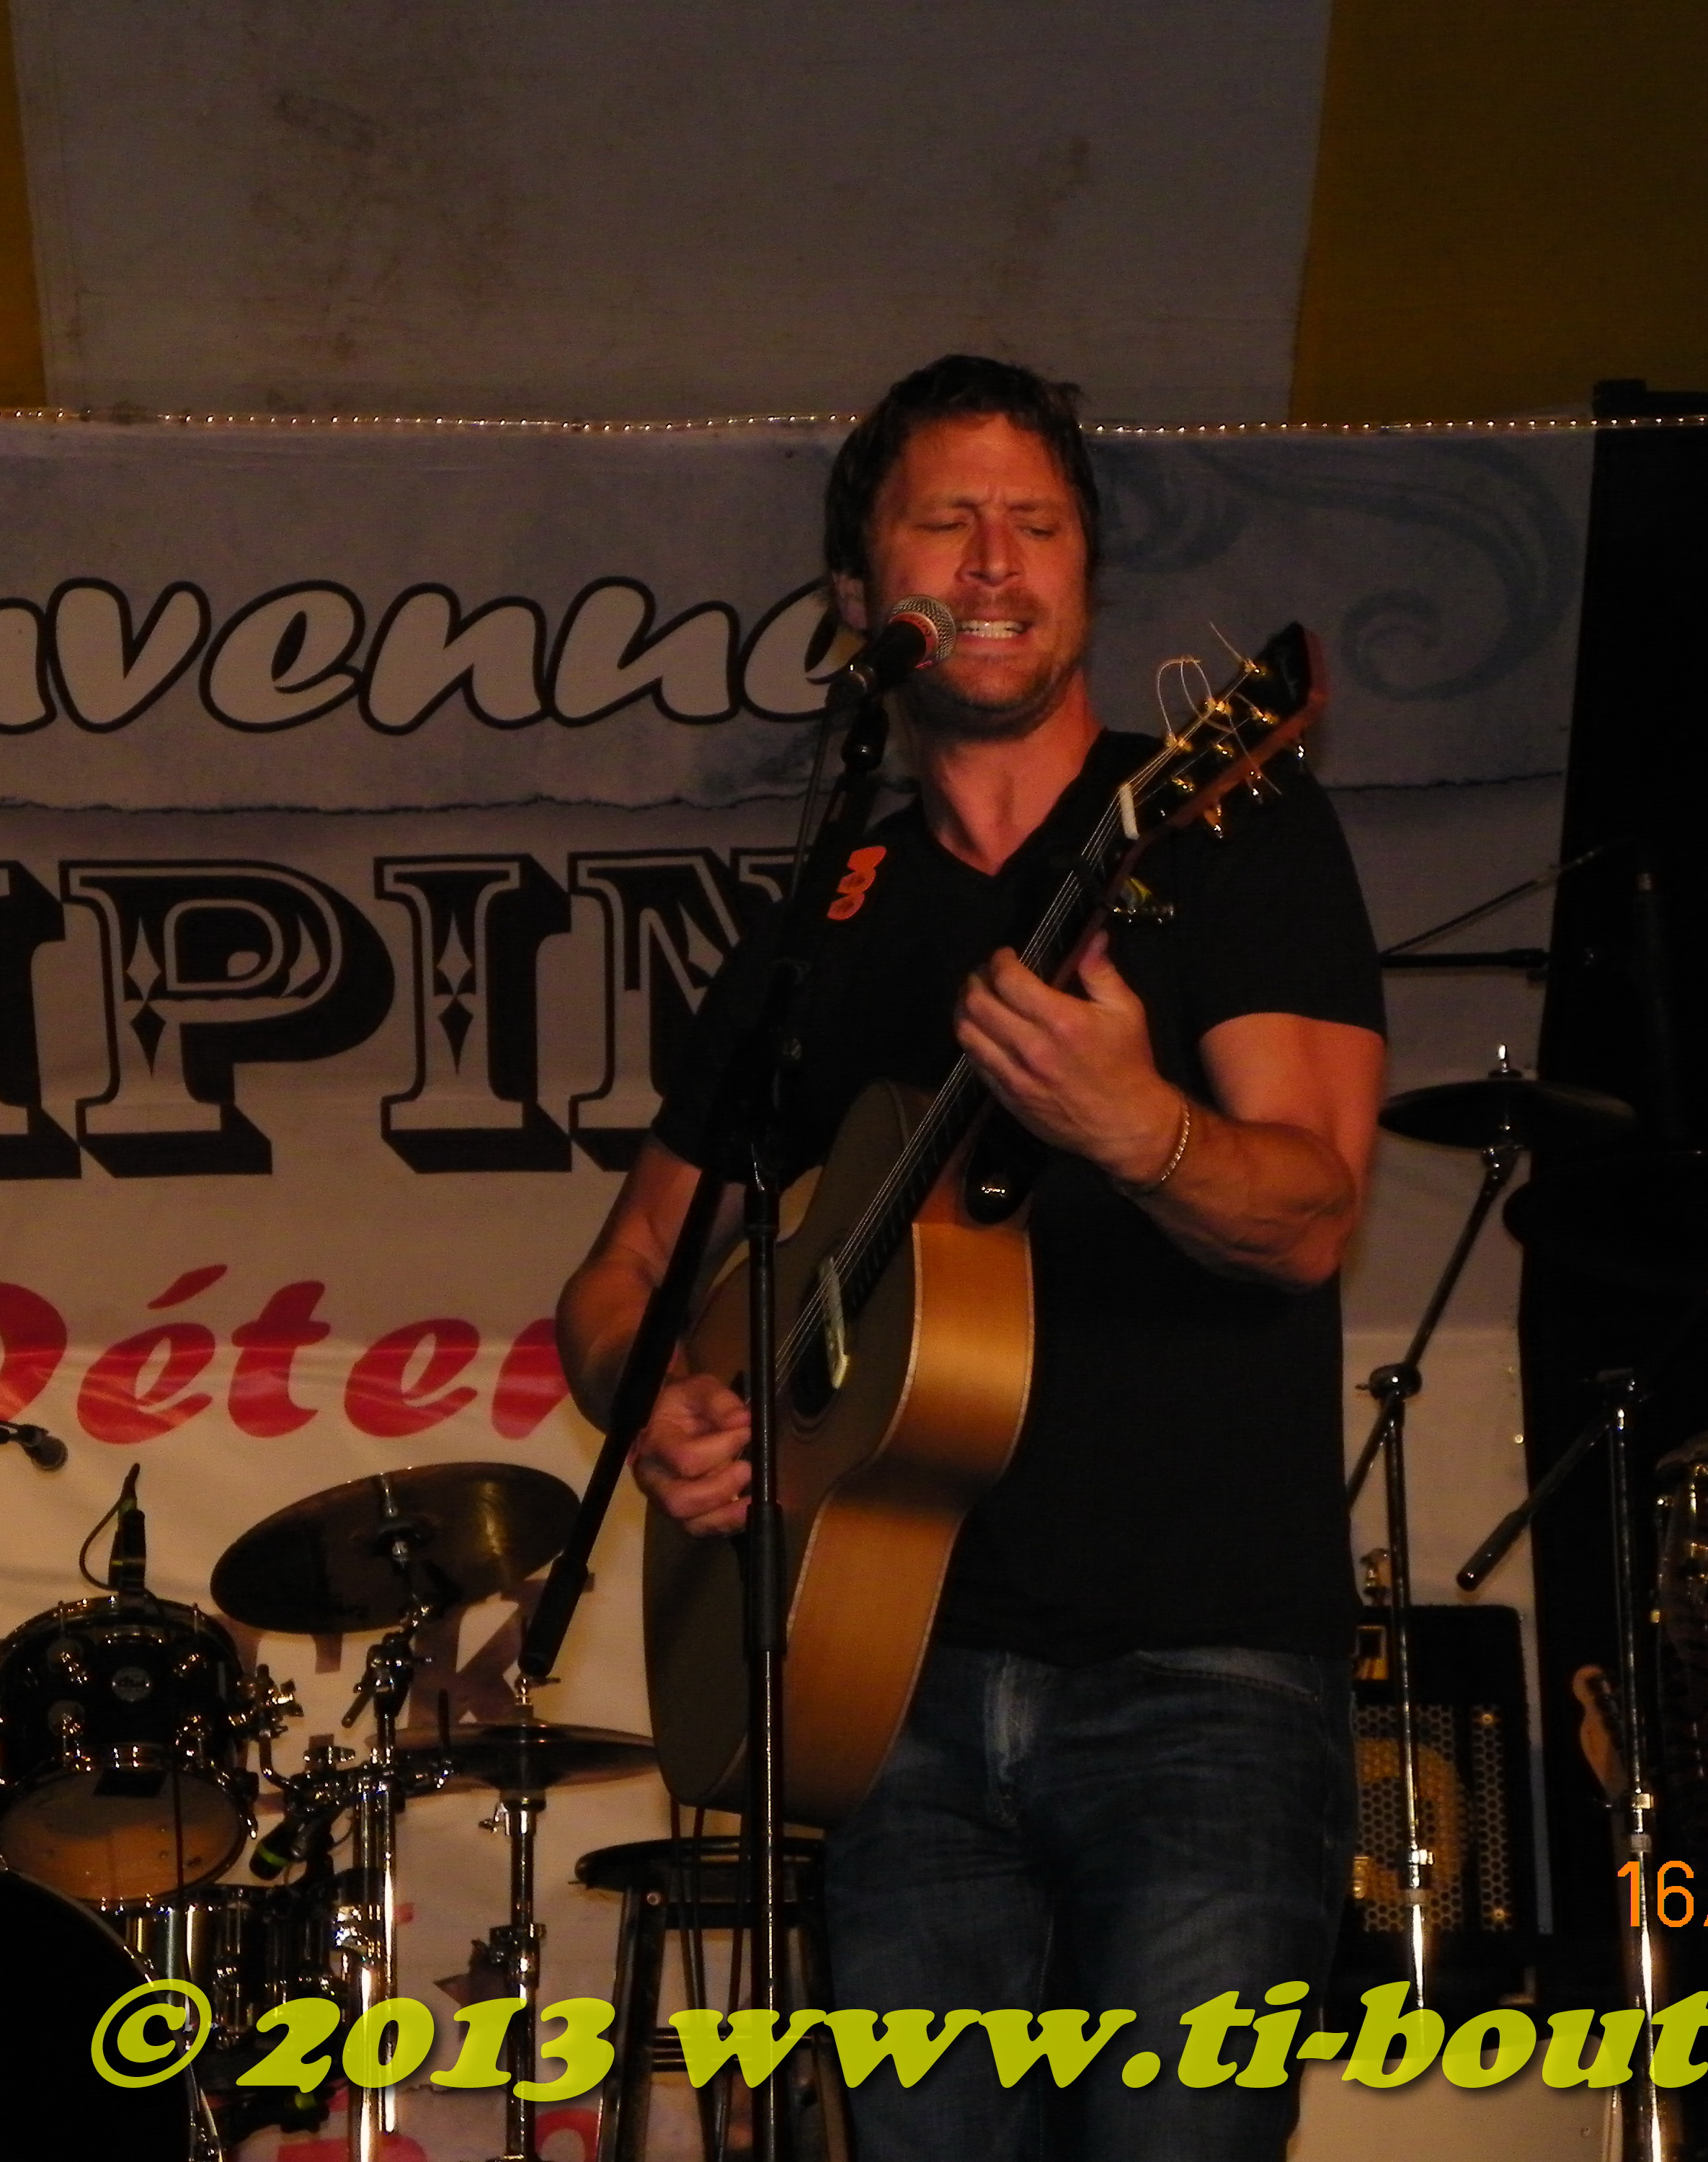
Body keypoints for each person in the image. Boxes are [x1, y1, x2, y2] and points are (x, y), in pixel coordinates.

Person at [555, 354, 1386, 2161]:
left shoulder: (1223, 825)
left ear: (1087, 573)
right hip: (886, 1693)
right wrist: (660, 1399)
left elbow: (1311, 1210)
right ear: (859, 595)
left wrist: (1137, 1127)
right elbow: (620, 1276)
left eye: (1039, 525)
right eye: (948, 522)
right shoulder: (821, 923)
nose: (998, 563)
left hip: (1199, 1676)